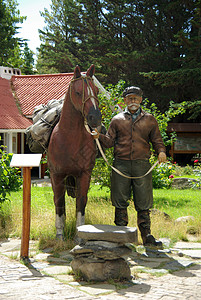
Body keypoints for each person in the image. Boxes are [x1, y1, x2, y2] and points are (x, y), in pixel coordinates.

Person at [93, 86, 167, 247]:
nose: (133, 101)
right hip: (121, 165)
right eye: (129, 98)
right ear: (125, 100)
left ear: (140, 100)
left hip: (142, 165)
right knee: (119, 200)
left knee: (144, 201)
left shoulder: (150, 119)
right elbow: (110, 142)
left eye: (135, 98)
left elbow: (157, 140)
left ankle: (147, 236)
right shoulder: (117, 119)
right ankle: (121, 236)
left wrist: (161, 151)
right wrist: (99, 136)